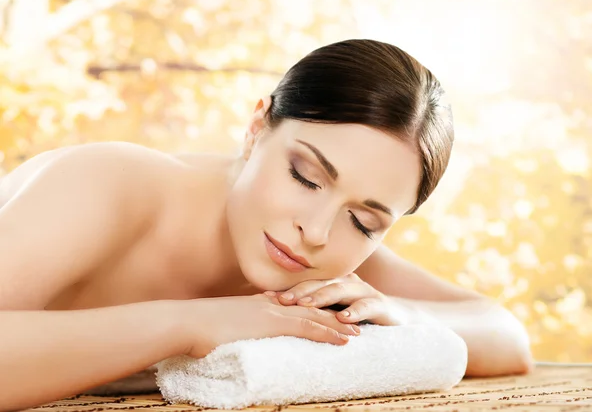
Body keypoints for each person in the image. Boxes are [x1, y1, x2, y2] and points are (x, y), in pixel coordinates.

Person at [0, 39, 533, 411]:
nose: (319, 231)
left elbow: (506, 336)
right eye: (305, 176)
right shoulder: (107, 184)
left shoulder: (328, 261)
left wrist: (397, 312)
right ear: (257, 127)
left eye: (365, 221)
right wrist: (191, 323)